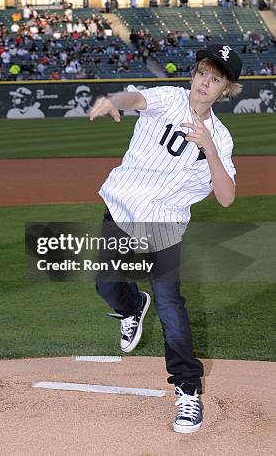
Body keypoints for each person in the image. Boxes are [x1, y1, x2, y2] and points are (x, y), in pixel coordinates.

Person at [89, 44, 243, 434]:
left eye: (216, 80)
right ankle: (130, 306)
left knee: (170, 304)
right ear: (194, 74)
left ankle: (187, 392)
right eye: (203, 75)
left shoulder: (221, 139)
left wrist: (208, 147)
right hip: (123, 208)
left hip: (164, 225)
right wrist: (114, 101)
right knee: (106, 285)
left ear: (226, 89)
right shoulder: (169, 99)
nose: (205, 84)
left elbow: (226, 198)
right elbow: (136, 97)